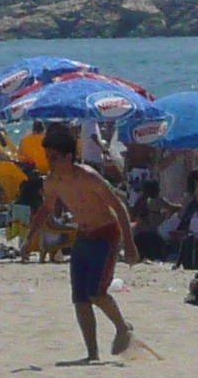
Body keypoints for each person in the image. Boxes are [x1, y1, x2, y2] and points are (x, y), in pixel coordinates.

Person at [36, 123, 138, 362]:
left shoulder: (89, 177)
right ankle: (92, 354)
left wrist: (130, 245)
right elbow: (46, 209)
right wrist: (29, 238)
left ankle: (123, 327)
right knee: (80, 298)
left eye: (55, 157)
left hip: (105, 234)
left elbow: (119, 208)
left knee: (97, 292)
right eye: (48, 156)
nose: (50, 161)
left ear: (69, 157)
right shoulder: (52, 181)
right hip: (82, 236)